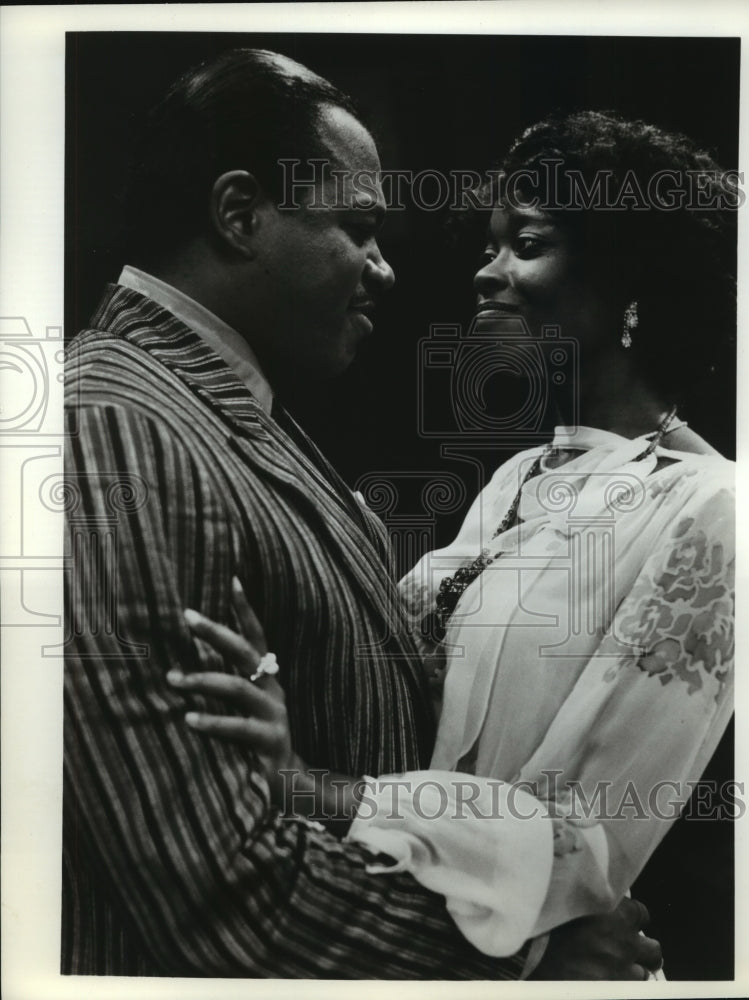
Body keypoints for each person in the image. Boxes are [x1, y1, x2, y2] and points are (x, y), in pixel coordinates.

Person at [62, 51, 659, 979]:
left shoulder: (230, 415)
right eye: (360, 228)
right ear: (239, 214)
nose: (385, 270)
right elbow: (216, 881)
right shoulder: (119, 431)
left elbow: (339, 753)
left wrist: (308, 780)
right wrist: (524, 962)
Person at [179, 112, 735, 973]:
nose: (486, 273)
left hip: (549, 966)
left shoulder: (712, 507)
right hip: (421, 948)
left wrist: (317, 789)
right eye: (489, 243)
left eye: (526, 243)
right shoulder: (515, 483)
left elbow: (585, 835)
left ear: (630, 278)